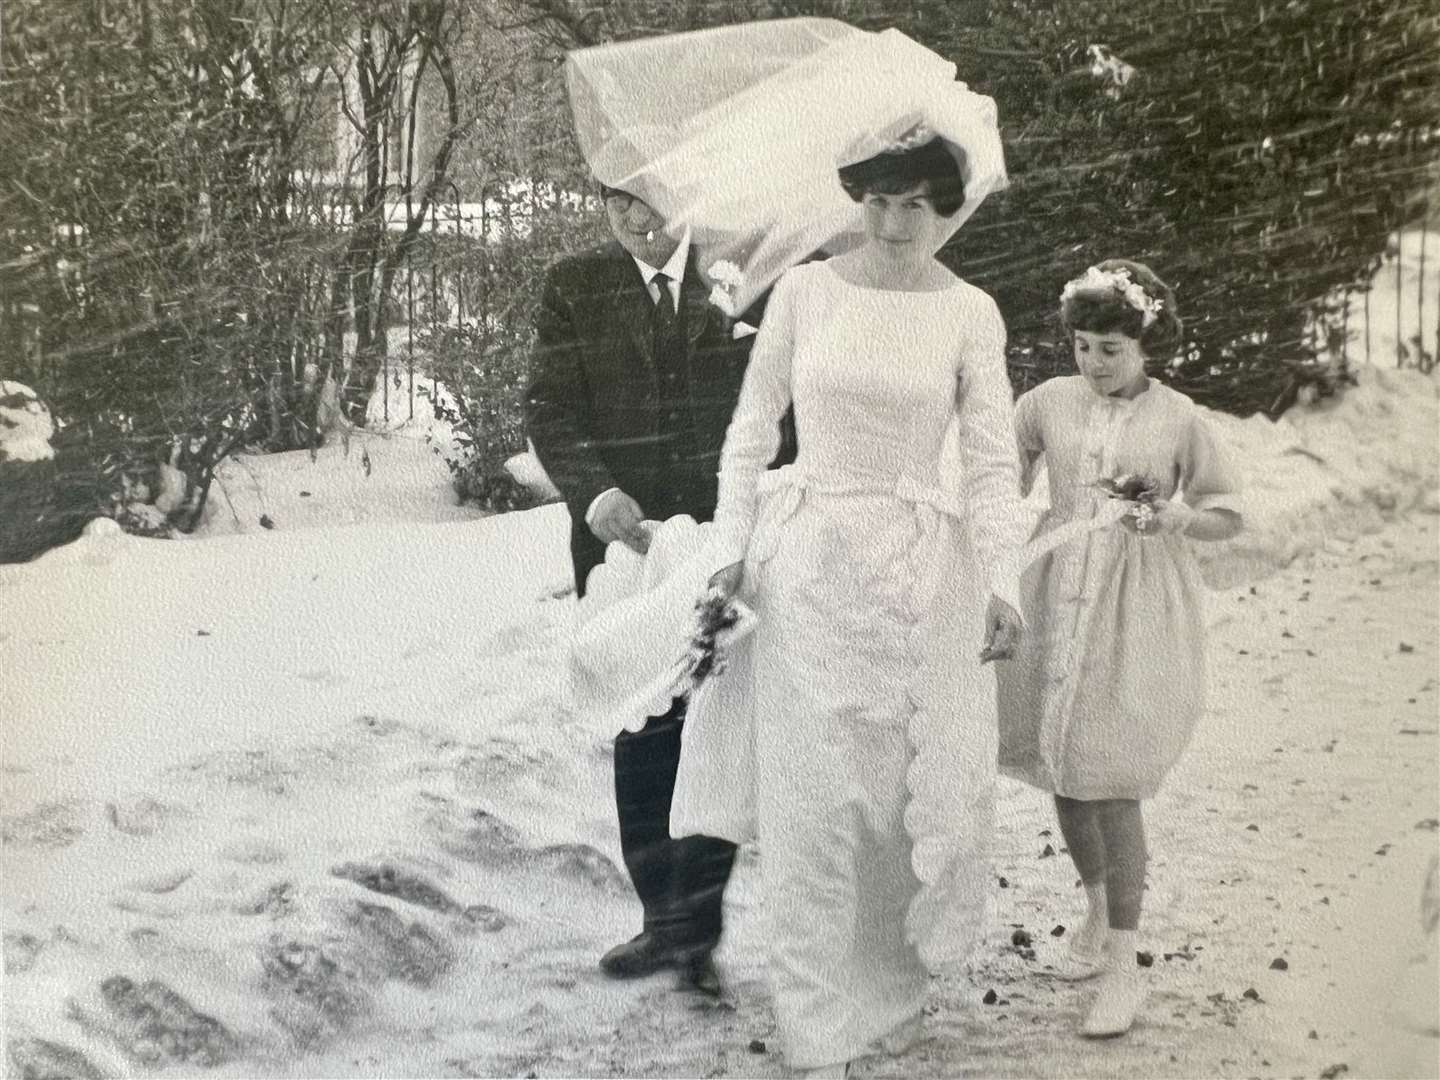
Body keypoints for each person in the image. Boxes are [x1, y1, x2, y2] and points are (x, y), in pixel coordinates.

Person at [695, 135, 1028, 1078]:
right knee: (809, 798)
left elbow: (994, 462)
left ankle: (888, 989)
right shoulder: (806, 291)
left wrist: (1001, 579)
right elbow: (749, 434)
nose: (893, 224)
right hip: (807, 565)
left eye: (917, 205)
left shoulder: (971, 312)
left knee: (893, 801)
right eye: (879, 201)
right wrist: (728, 552)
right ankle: (813, 1020)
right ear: (855, 201)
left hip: (921, 573)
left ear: (947, 208)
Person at [524, 181, 794, 997]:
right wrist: (596, 492)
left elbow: (786, 408)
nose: (638, 220)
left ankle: (697, 929)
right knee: (644, 723)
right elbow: (548, 406)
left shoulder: (748, 275)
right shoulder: (578, 284)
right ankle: (661, 918)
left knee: (717, 720)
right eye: (618, 201)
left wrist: (762, 517)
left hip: (726, 539)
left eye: (653, 200)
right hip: (627, 547)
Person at [996, 259, 1244, 1037]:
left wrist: (1173, 518)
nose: (1094, 364)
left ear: (1144, 344)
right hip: (1056, 588)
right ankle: (1097, 911)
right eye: (1081, 347)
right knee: (1067, 773)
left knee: (1114, 782)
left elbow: (1228, 512)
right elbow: (997, 475)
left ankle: (1125, 965)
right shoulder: (1045, 403)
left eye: (1110, 348)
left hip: (1133, 607)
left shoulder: (1178, 418)